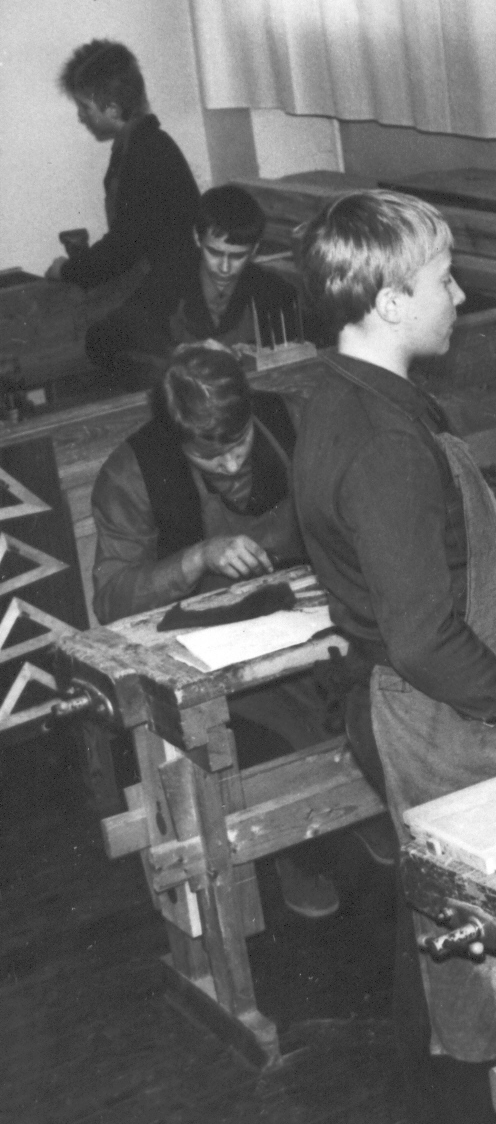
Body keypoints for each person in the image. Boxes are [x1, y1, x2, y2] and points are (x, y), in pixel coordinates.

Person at [292, 189, 496, 1124]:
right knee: (470, 938)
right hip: (436, 713)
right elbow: (421, 634)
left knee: (441, 917)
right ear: (393, 300)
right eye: (443, 274)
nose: (458, 289)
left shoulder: (350, 398)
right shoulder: (386, 442)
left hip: (415, 696)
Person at [89, 342, 339, 919]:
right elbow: (110, 598)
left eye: (238, 445)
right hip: (214, 656)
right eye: (210, 457)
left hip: (308, 623)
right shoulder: (132, 474)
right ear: (178, 436)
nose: (230, 467)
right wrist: (195, 559)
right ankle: (299, 849)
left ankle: (353, 818)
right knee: (250, 747)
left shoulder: (294, 421)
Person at [92, 185, 308, 387]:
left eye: (237, 256)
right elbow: (101, 337)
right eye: (214, 252)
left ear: (255, 250)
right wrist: (177, 352)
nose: (224, 267)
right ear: (197, 238)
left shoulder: (274, 291)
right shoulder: (169, 280)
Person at [46, 40, 200, 297]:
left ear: (114, 110)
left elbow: (124, 246)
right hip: (155, 280)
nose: (80, 116)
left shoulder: (147, 152)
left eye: (85, 107)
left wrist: (67, 270)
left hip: (174, 293)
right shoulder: (138, 144)